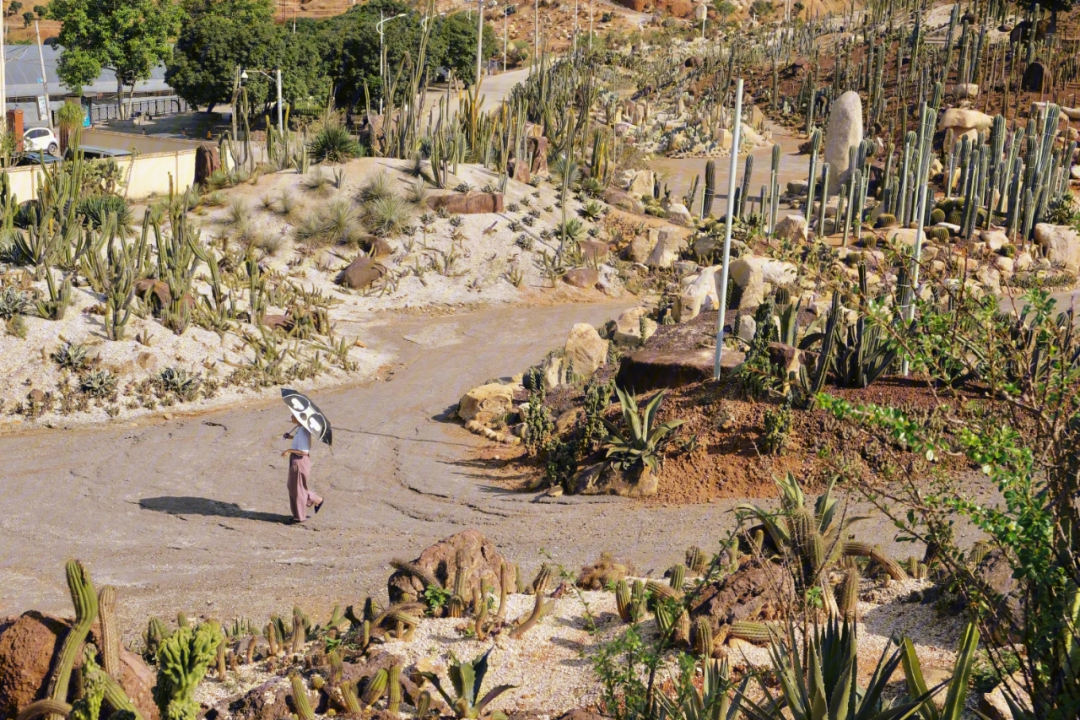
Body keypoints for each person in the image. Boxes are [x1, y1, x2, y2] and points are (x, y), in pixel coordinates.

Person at [282, 415, 323, 524]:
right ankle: (315, 500)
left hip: (300, 461)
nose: (291, 417)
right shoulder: (299, 428)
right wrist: (290, 437)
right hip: (296, 460)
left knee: (298, 489)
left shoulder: (304, 431)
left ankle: (299, 517)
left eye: (293, 416)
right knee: (293, 487)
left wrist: (289, 450)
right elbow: (298, 441)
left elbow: (304, 451)